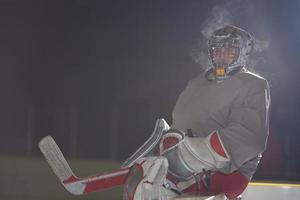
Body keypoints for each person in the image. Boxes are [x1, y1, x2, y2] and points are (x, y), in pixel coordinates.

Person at [122, 25, 270, 200]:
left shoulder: (252, 84)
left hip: (226, 171)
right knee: (140, 187)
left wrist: (186, 160)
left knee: (153, 189)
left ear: (242, 53)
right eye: (217, 51)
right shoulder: (197, 83)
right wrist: (167, 149)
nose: (222, 56)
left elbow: (247, 135)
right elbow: (181, 124)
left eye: (230, 51)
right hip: (186, 168)